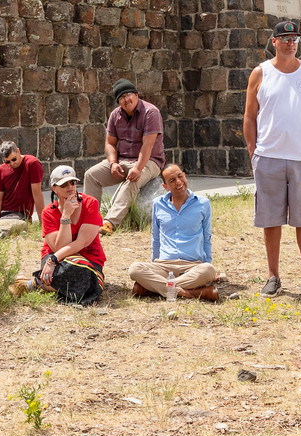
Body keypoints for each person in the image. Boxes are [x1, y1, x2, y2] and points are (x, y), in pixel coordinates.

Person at [244, 20, 301, 298]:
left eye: (295, 38)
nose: (291, 42)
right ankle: (273, 276)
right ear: (274, 42)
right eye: (285, 38)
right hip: (269, 157)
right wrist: (254, 152)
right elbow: (250, 116)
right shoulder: (260, 73)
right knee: (271, 220)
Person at [127, 164, 219, 300]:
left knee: (208, 270)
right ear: (165, 187)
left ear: (185, 176)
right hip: (164, 266)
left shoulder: (203, 204)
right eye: (172, 180)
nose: (178, 182)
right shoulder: (158, 204)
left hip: (192, 266)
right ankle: (192, 293)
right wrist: (154, 264)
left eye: (180, 176)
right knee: (134, 269)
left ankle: (154, 289)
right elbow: (156, 237)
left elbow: (207, 237)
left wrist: (208, 264)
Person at [86, 80, 163, 223]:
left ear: (136, 94)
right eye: (121, 97)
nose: (126, 99)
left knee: (133, 180)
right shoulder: (115, 115)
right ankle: (89, 220)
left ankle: (110, 222)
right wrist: (112, 164)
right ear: (118, 102)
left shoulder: (151, 112)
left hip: (150, 161)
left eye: (128, 95)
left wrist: (138, 168)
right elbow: (110, 143)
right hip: (123, 160)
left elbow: (148, 145)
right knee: (90, 175)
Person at [30, 166, 104, 305]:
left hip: (86, 259)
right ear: (54, 188)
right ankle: (50, 284)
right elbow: (59, 247)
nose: (70, 187)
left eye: (73, 182)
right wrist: (66, 215)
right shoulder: (48, 213)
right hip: (60, 258)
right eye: (64, 184)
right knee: (69, 271)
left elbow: (82, 242)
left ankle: (39, 284)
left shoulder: (90, 203)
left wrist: (53, 260)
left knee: (84, 274)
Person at [0, 139, 43, 234]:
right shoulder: (1, 170)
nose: (12, 163)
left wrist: (42, 223)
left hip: (19, 212)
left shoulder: (32, 164)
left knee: (2, 230)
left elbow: (37, 195)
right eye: (7, 162)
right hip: (2, 210)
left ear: (18, 151)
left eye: (14, 159)